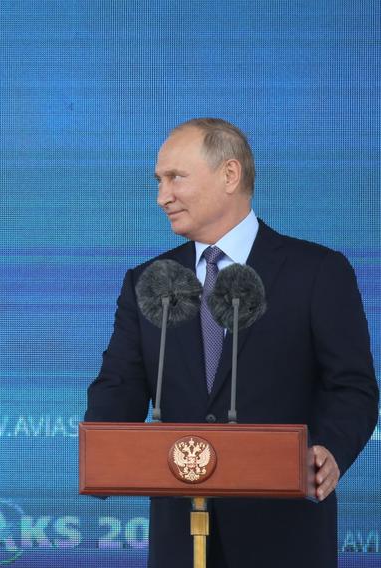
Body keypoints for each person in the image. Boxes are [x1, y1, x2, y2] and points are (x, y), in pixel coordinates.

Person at [85, 118, 378, 567]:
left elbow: (352, 387)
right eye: (158, 181)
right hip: (180, 540)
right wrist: (103, 452)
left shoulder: (317, 271)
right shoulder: (148, 281)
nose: (162, 196)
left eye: (175, 178)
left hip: (284, 536)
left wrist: (329, 450)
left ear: (229, 174)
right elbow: (119, 384)